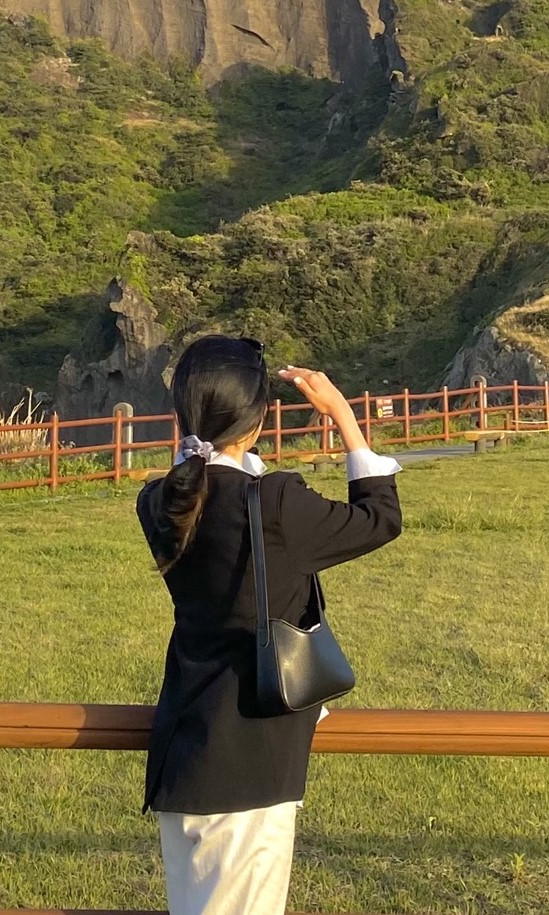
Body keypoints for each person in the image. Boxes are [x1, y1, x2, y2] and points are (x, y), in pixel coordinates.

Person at [136, 336, 402, 915]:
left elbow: (203, 479)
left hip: (185, 758)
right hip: (249, 767)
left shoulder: (157, 502)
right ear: (257, 422)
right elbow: (380, 519)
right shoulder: (274, 502)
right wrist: (345, 420)